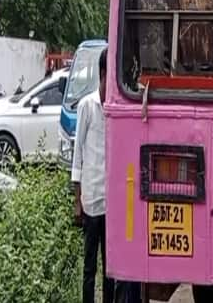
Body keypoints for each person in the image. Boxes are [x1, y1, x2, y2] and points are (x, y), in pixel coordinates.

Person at [72, 47, 114, 303]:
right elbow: (78, 155)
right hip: (90, 201)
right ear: (102, 74)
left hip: (111, 205)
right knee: (89, 268)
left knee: (110, 269)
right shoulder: (87, 107)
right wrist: (77, 201)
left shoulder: (116, 110)